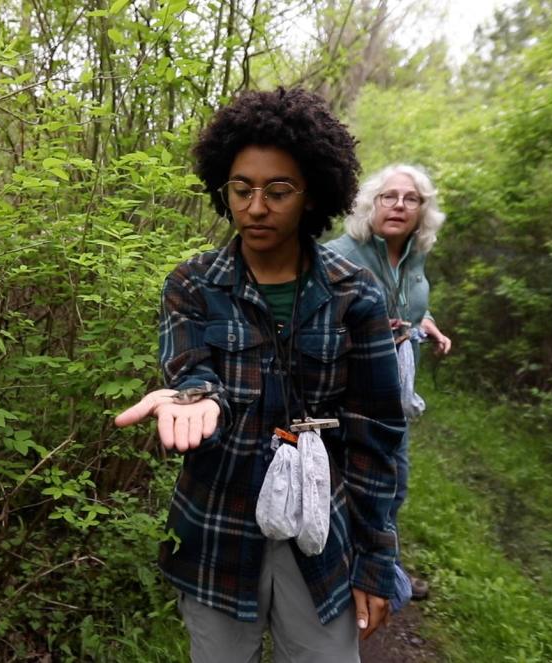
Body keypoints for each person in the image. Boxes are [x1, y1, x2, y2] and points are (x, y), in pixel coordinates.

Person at [114, 88, 407, 663]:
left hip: (323, 533)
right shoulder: (192, 284)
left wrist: (377, 561)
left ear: (312, 195)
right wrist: (196, 397)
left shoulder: (354, 294)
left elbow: (377, 436)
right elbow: (192, 367)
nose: (256, 208)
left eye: (278, 191)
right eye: (242, 190)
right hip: (219, 526)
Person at [326, 164, 451, 602]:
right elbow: (312, 322)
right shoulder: (341, 254)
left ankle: (382, 571)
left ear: (422, 211)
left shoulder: (415, 258)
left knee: (393, 484)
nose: (399, 205)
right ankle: (335, 577)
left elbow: (414, 306)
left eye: (411, 198)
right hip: (347, 395)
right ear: (371, 204)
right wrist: (368, 329)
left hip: (394, 397)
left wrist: (427, 325)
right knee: (348, 484)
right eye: (389, 196)